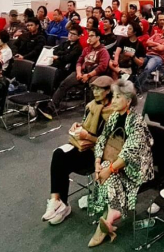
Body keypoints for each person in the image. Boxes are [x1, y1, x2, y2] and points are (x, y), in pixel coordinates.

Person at [88, 79, 155, 247]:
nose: (114, 100)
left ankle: (111, 214)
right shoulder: (115, 116)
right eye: (114, 96)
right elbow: (103, 138)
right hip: (117, 161)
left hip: (137, 166)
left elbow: (129, 154)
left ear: (129, 100)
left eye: (118, 97)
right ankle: (112, 213)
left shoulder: (136, 122)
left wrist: (109, 169)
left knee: (107, 174)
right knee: (103, 169)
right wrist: (97, 160)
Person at [42, 76, 115, 225]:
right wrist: (78, 127)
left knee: (62, 162)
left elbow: (114, 145)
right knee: (59, 154)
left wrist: (88, 136)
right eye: (93, 88)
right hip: (86, 148)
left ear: (108, 91)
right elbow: (85, 124)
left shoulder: (116, 113)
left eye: (99, 89)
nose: (94, 92)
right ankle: (58, 202)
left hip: (103, 155)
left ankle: (61, 205)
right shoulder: (92, 106)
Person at [51, 29, 110, 108]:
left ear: (98, 37)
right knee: (64, 84)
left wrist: (88, 75)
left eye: (92, 36)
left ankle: (90, 110)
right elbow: (79, 62)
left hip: (95, 75)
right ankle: (52, 106)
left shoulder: (103, 51)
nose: (89, 38)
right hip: (82, 72)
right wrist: (78, 73)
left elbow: (102, 67)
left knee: (93, 86)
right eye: (89, 36)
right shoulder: (86, 49)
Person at [137, 22, 164, 92]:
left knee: (148, 68)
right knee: (136, 63)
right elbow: (147, 42)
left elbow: (160, 49)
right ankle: (135, 83)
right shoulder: (156, 35)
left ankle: (137, 87)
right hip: (147, 55)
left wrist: (152, 46)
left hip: (157, 57)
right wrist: (157, 44)